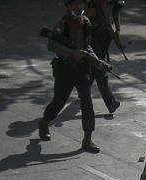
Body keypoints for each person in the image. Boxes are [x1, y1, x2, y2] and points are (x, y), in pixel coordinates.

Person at [37, 0, 100, 153]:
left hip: (82, 69)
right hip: (65, 68)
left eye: (81, 4)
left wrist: (96, 60)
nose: (79, 7)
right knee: (59, 101)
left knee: (87, 102)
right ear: (68, 7)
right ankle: (45, 122)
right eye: (75, 4)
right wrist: (71, 53)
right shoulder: (62, 24)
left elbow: (87, 46)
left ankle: (87, 139)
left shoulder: (86, 23)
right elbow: (52, 45)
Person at [87, 0, 123, 113]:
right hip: (93, 37)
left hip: (105, 36)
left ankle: (84, 91)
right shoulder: (92, 3)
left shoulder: (116, 2)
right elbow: (88, 17)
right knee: (99, 66)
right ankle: (110, 102)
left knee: (94, 66)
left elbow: (116, 12)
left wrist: (117, 29)